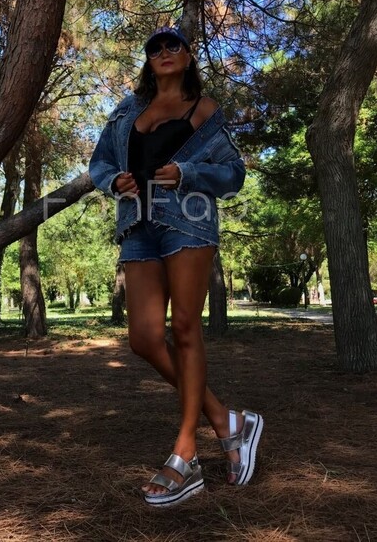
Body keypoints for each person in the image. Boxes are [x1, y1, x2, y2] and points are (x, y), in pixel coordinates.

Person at [89, 26, 263, 507]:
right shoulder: (127, 111)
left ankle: (185, 455)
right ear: (149, 60)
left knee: (186, 328)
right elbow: (100, 163)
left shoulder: (202, 110)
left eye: (173, 46)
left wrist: (188, 172)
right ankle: (226, 420)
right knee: (144, 339)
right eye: (155, 48)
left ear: (188, 56)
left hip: (188, 222)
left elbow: (233, 173)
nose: (164, 52)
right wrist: (114, 182)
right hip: (137, 226)